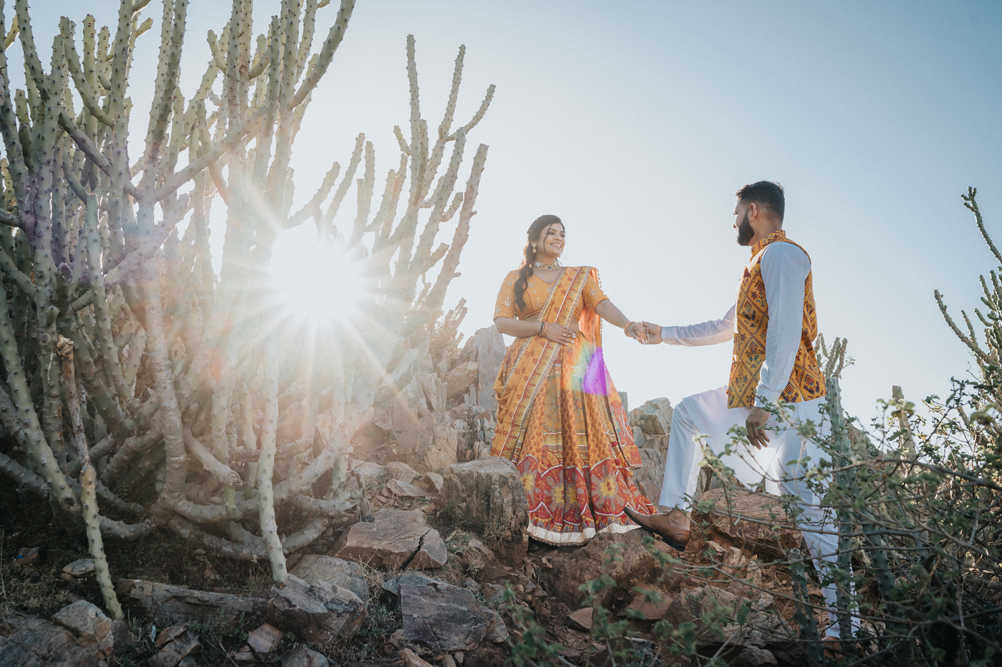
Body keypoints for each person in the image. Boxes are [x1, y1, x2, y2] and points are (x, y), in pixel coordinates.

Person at [624, 182, 845, 644]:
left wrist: (765, 403)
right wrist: (660, 333)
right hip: (756, 400)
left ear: (756, 210)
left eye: (737, 211)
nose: (733, 220)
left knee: (812, 511)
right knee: (687, 413)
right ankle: (678, 516)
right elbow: (725, 327)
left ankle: (849, 629)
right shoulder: (758, 262)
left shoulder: (784, 256)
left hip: (797, 404)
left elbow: (785, 333)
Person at [491, 214, 658, 545]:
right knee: (538, 430)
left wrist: (628, 326)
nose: (558, 238)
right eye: (551, 233)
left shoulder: (578, 277)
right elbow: (501, 322)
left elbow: (601, 303)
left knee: (589, 431)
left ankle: (601, 508)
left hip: (579, 361)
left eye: (562, 234)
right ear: (535, 241)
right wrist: (543, 328)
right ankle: (536, 513)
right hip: (531, 363)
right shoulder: (515, 278)